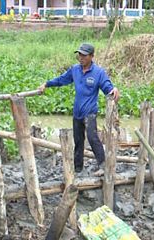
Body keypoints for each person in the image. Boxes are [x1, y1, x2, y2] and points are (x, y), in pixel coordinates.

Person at [38, 43, 120, 176]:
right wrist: (47, 84)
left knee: (93, 137)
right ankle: (78, 168)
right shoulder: (75, 70)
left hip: (90, 113)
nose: (80, 57)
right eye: (79, 54)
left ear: (92, 56)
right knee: (78, 140)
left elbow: (107, 87)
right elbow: (62, 80)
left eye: (84, 55)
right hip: (77, 112)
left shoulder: (98, 72)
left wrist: (113, 89)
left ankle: (103, 165)